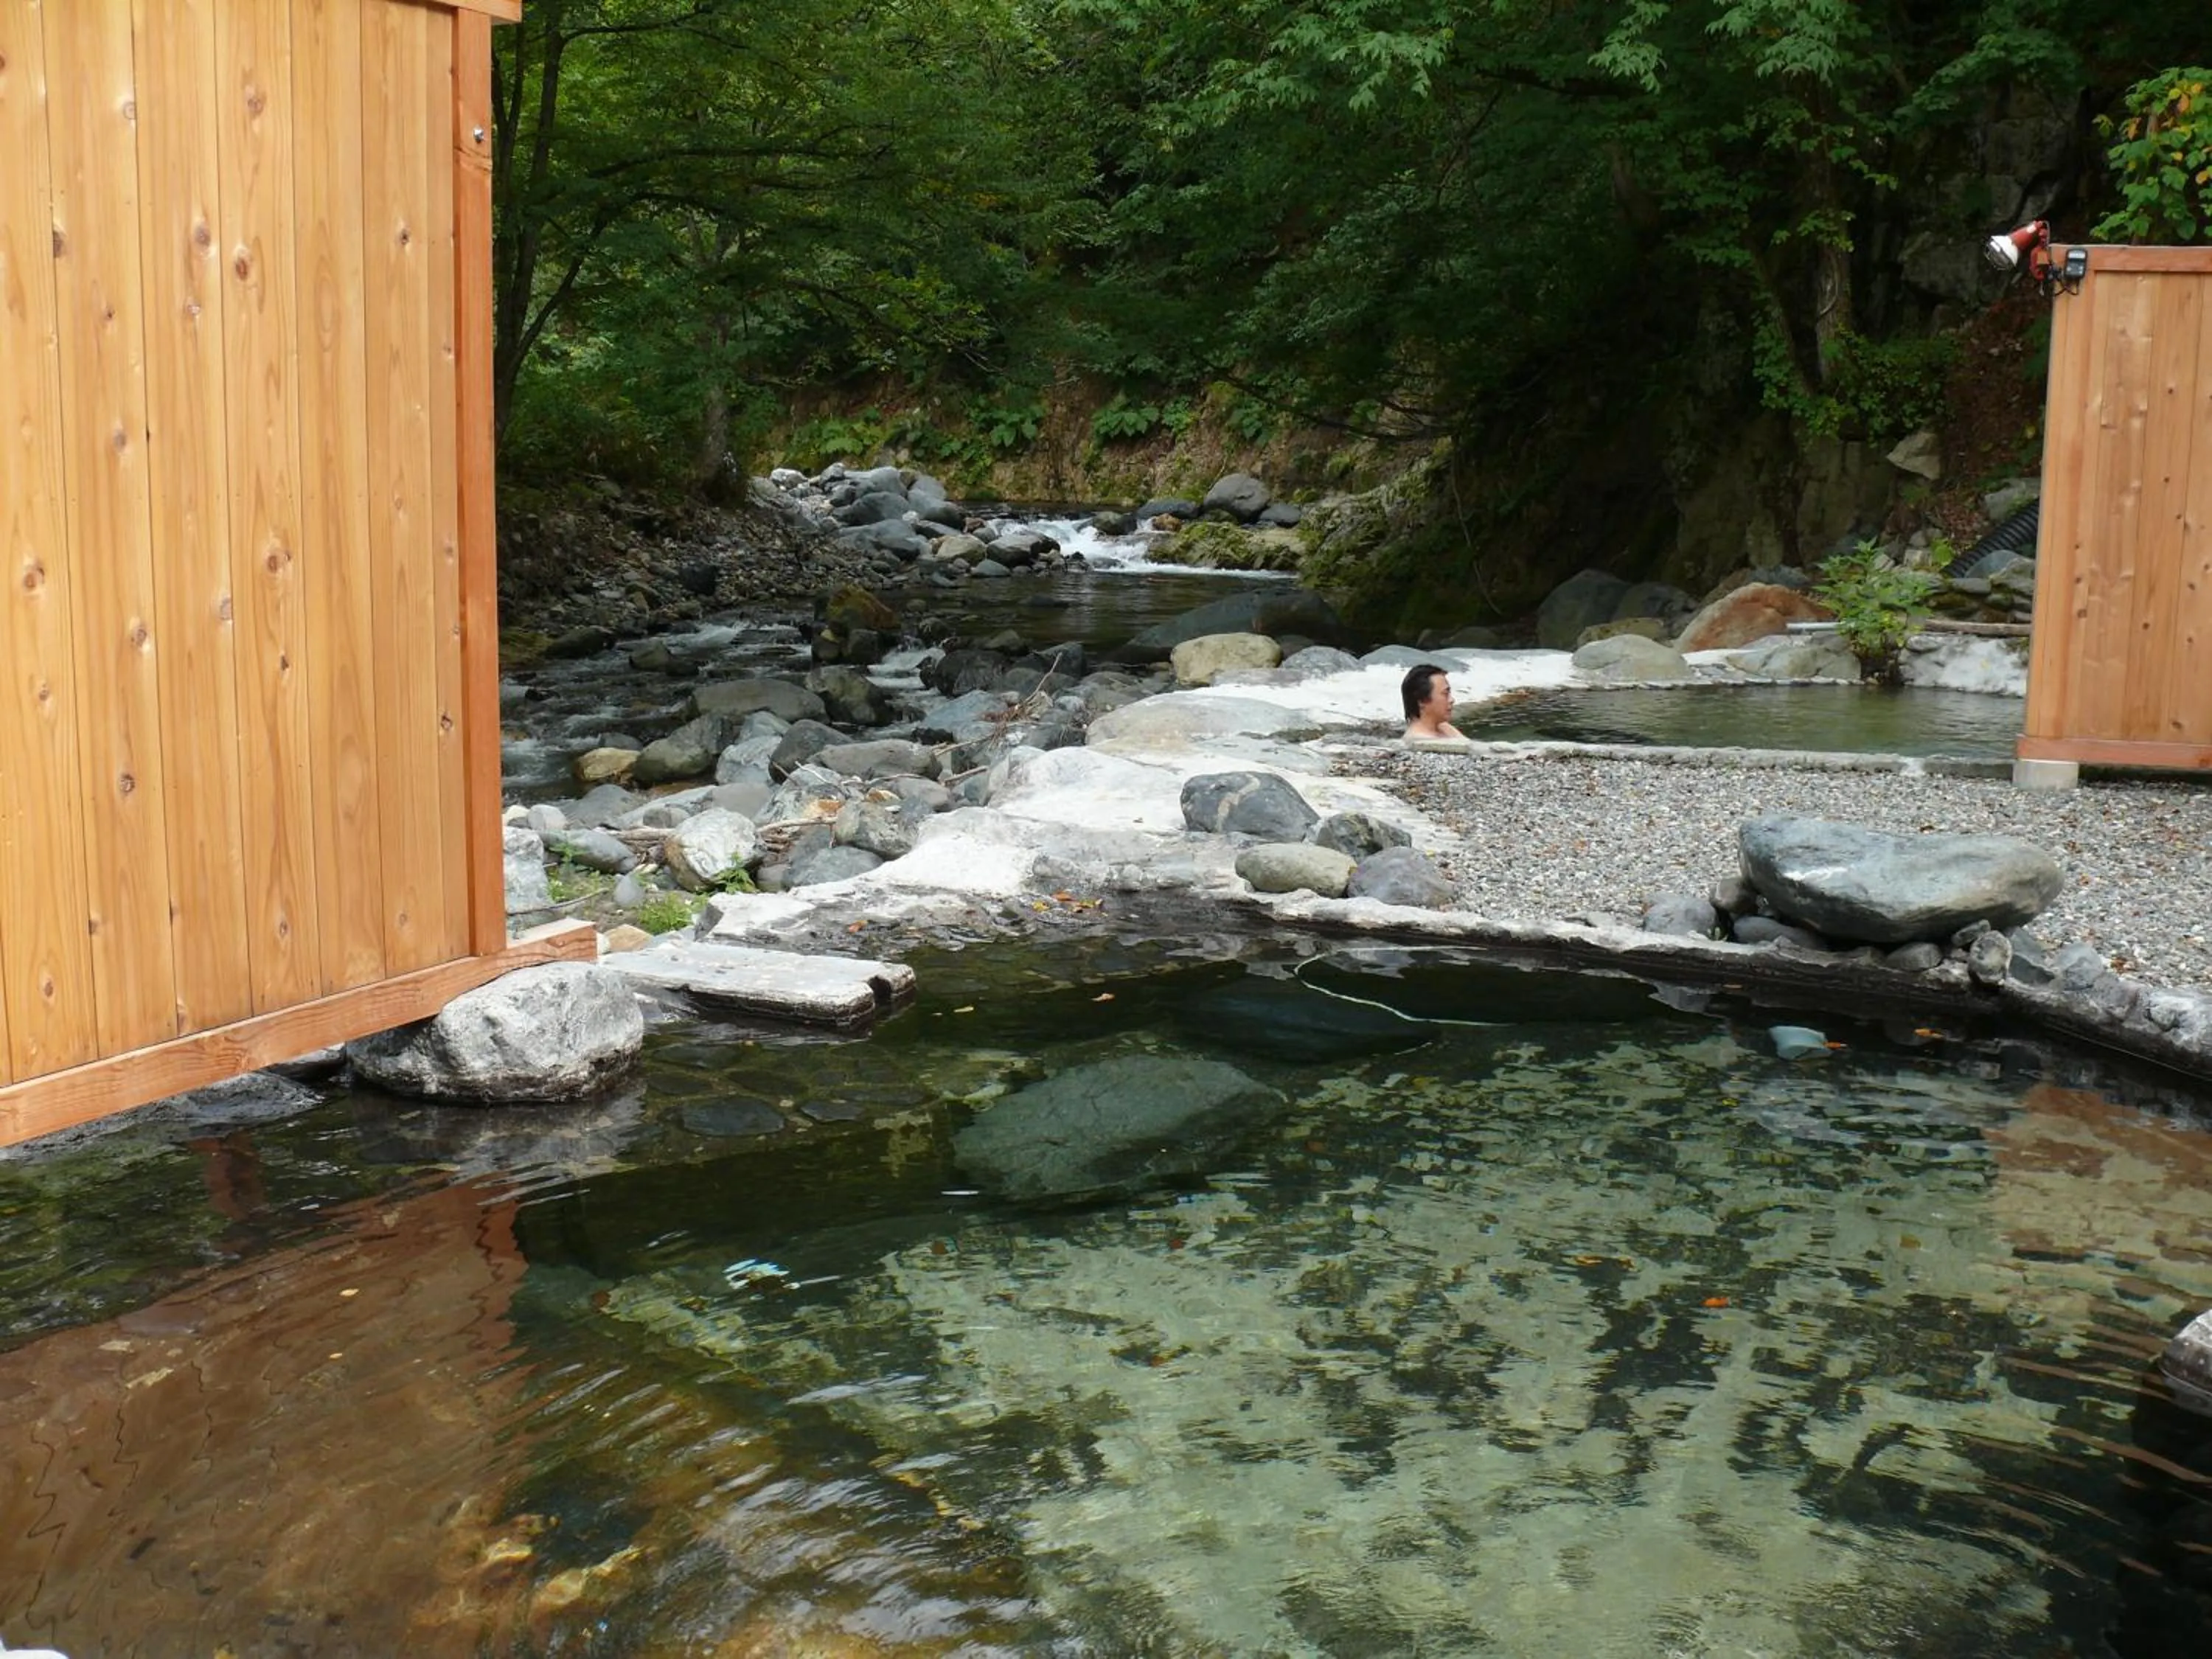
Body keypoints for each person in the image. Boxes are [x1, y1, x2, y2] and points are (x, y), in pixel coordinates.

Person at [1400, 663, 1463, 741]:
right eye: (1445, 694)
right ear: (1422, 701)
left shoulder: (1442, 727)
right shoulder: (1422, 741)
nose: (1452, 700)